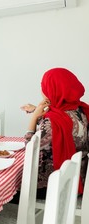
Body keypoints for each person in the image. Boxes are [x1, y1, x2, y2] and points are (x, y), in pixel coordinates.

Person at [21, 67, 89, 199]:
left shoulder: (52, 122)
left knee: (12, 185)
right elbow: (63, 121)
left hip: (57, 185)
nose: (42, 91)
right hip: (80, 177)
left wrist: (34, 118)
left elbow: (30, 149)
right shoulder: (81, 111)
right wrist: (37, 110)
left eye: (44, 86)